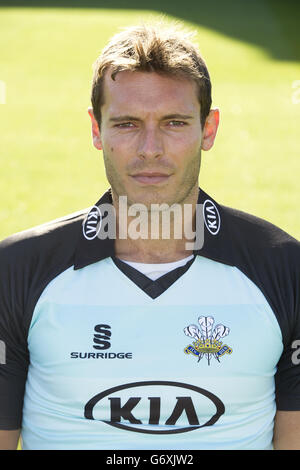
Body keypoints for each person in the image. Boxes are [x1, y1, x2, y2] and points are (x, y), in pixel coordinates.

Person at [0, 22, 299, 451]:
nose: (150, 149)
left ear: (208, 129)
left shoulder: (286, 270)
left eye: (174, 122)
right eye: (127, 124)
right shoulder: (16, 270)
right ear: (96, 130)